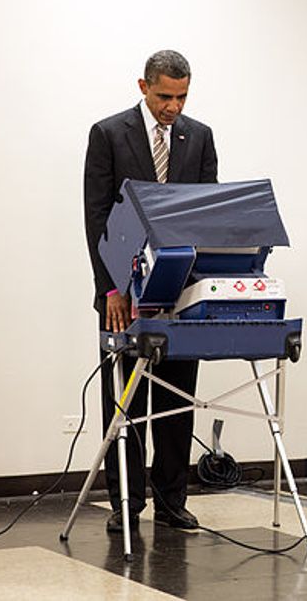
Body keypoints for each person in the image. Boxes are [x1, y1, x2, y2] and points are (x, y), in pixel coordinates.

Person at [84, 50, 217, 533]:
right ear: (143, 86)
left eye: (182, 96)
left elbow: (206, 215)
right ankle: (124, 502)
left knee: (177, 399)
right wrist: (112, 288)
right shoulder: (108, 134)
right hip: (125, 291)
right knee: (126, 401)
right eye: (164, 96)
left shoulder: (198, 137)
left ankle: (171, 500)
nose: (173, 107)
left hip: (181, 290)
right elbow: (96, 218)